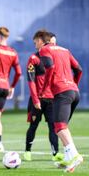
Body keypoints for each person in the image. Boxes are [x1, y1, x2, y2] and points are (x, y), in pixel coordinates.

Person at [37, 29, 83, 172]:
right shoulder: (65, 50)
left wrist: (46, 87)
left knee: (59, 127)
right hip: (74, 92)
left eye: (35, 42)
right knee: (61, 126)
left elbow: (50, 67)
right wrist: (73, 84)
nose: (36, 45)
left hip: (62, 93)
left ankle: (74, 155)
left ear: (41, 40)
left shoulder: (44, 50)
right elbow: (79, 69)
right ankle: (69, 158)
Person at [24, 31, 63, 162]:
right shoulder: (33, 59)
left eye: (54, 42)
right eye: (51, 42)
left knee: (53, 127)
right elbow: (31, 81)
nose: (53, 45)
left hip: (52, 100)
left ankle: (55, 153)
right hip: (38, 100)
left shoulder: (54, 58)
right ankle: (27, 151)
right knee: (33, 126)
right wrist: (35, 100)